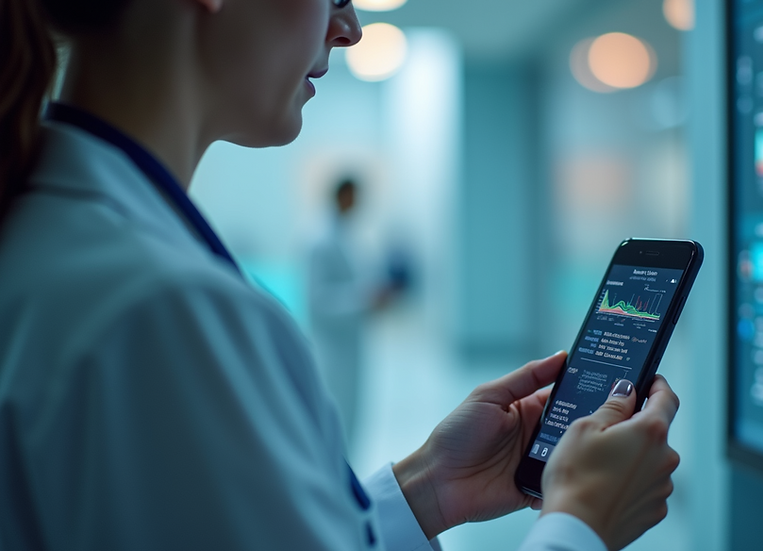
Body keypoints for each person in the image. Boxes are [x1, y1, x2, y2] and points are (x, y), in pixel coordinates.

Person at [0, 1, 681, 550]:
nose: (351, 27)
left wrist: (425, 489)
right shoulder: (163, 312)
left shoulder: (59, 241)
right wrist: (581, 522)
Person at [308, 176, 393, 439]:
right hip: (332, 347)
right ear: (342, 195)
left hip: (352, 342)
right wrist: (364, 299)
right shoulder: (320, 240)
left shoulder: (347, 235)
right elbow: (318, 301)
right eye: (355, 196)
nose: (358, 203)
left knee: (352, 417)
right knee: (336, 417)